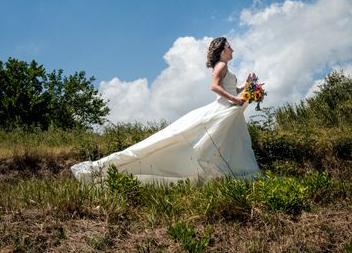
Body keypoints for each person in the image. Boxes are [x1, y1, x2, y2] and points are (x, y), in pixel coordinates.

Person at [71, 37, 261, 184]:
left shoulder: (226, 67)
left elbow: (230, 89)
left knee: (221, 145)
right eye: (229, 47)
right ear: (221, 50)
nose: (232, 49)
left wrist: (247, 85)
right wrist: (235, 98)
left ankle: (219, 175)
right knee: (190, 140)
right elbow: (215, 87)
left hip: (228, 110)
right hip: (221, 109)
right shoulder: (221, 65)